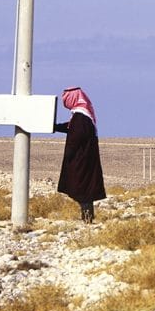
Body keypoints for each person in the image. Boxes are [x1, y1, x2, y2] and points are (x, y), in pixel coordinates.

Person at [53, 86, 106, 223]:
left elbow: (76, 136)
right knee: (84, 187)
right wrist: (56, 127)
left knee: (82, 188)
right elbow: (72, 127)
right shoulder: (82, 115)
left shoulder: (81, 116)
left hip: (80, 159)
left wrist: (69, 155)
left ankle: (87, 218)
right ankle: (87, 216)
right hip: (85, 158)